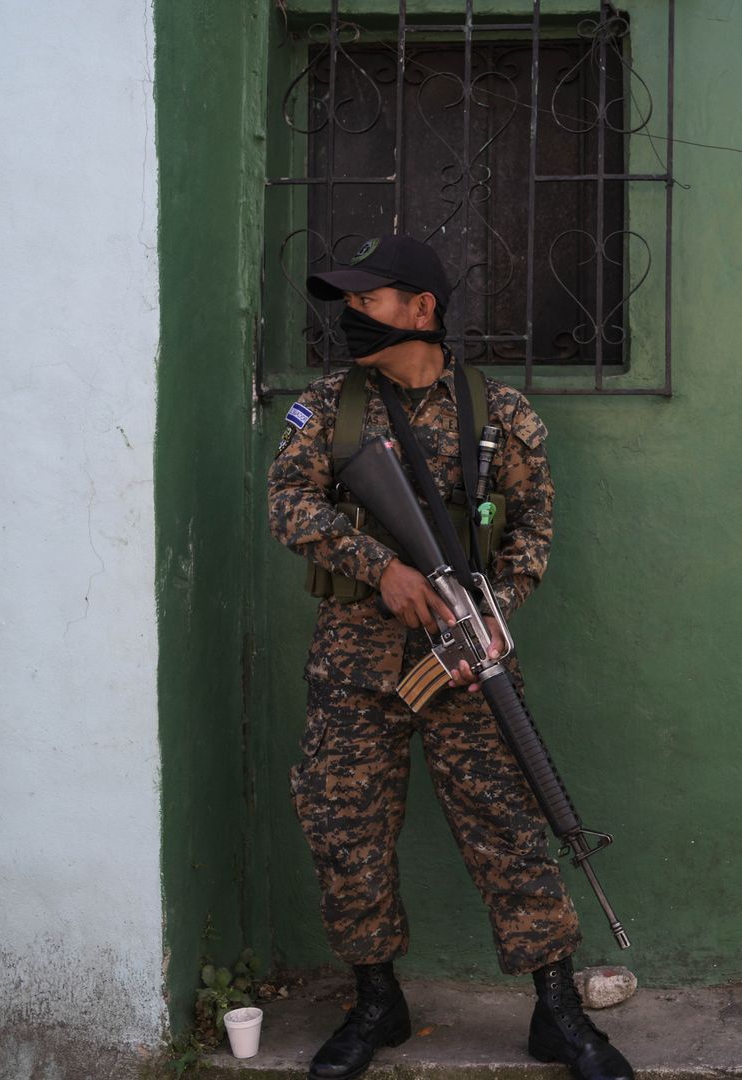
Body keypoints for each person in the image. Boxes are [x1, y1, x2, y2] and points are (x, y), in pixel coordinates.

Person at [267, 235, 633, 1080]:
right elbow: (288, 505)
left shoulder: (499, 414)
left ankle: (556, 1008)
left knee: (508, 826)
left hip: (467, 663)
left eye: (370, 300)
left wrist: (496, 613)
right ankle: (375, 1001)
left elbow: (534, 527)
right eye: (349, 302)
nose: (352, 314)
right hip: (356, 663)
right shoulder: (330, 407)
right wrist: (380, 569)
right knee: (343, 828)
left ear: (423, 309)